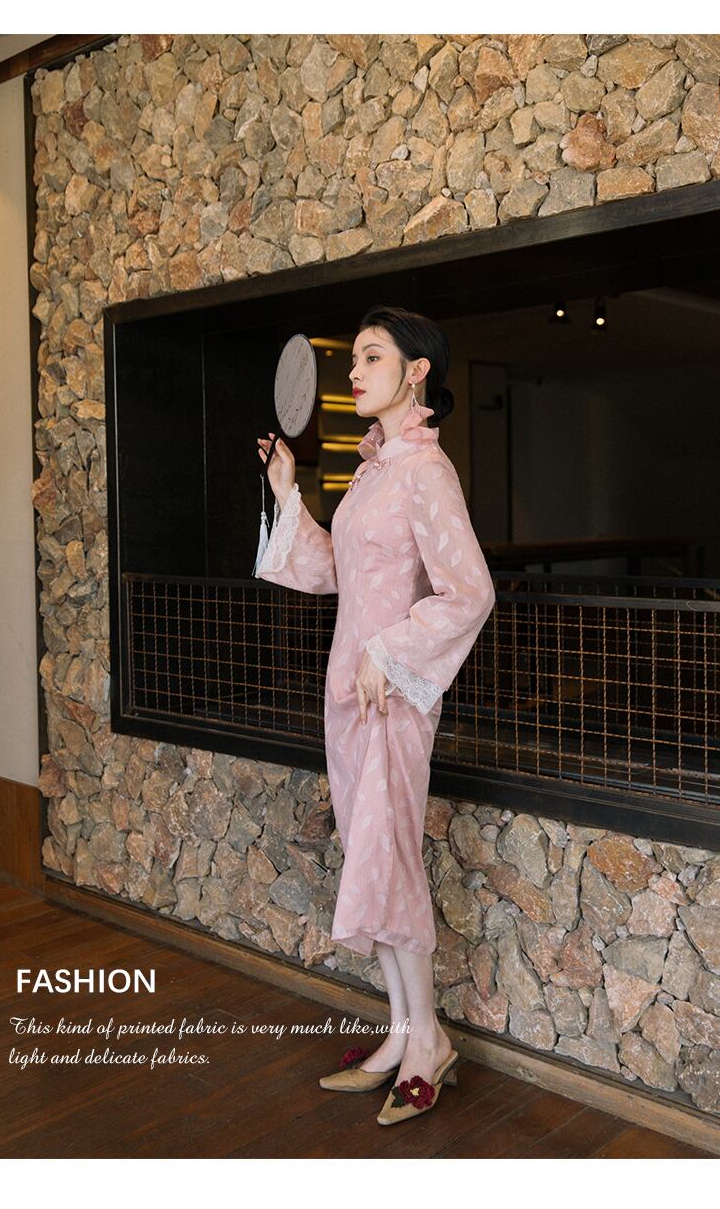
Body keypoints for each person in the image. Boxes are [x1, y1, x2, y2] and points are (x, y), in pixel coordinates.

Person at [255, 305, 495, 1124]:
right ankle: (401, 1030)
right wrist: (287, 494)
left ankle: (428, 1041)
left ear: (416, 371)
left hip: (392, 699)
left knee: (388, 862)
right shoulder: (372, 473)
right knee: (371, 856)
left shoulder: (426, 471)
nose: (353, 372)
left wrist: (386, 653)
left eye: (371, 357)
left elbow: (470, 592)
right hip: (349, 698)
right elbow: (335, 572)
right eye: (353, 359)